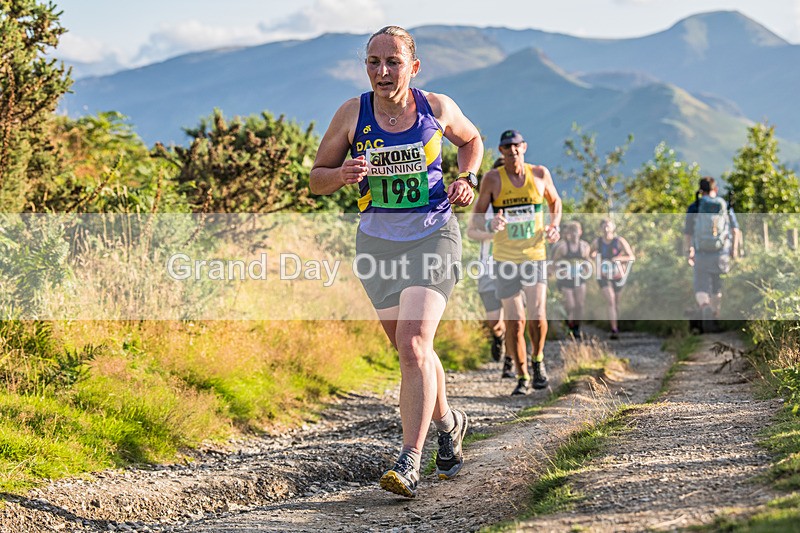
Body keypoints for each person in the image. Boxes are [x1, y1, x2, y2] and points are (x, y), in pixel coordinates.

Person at [309, 26, 483, 499]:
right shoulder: (352, 114)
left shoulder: (436, 108)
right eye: (373, 62)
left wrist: (466, 177)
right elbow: (315, 180)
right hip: (377, 245)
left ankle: (409, 460)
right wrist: (340, 175)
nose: (383, 72)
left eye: (393, 62)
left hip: (432, 235)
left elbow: (471, 141)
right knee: (413, 352)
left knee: (413, 344)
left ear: (414, 66)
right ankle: (449, 423)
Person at [471, 129, 562, 396]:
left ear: (524, 147)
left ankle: (538, 361)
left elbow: (555, 202)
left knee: (537, 314)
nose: (512, 151)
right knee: (516, 320)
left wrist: (554, 226)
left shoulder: (540, 174)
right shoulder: (492, 179)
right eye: (507, 148)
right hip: (505, 258)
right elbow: (476, 218)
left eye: (516, 146)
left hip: (534, 254)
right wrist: (491, 222)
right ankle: (522, 375)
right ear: (501, 151)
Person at [467, 157, 513, 379]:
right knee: (495, 321)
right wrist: (491, 233)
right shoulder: (484, 204)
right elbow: (470, 231)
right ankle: (499, 338)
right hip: (488, 267)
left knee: (515, 316)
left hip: (513, 266)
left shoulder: (519, 202)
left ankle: (510, 362)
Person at [683, 176, 741, 332]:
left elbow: (688, 233)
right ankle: (714, 319)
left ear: (700, 191)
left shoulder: (695, 207)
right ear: (715, 189)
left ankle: (704, 306)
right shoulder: (725, 206)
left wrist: (689, 252)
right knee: (717, 287)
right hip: (721, 253)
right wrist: (733, 251)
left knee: (700, 286)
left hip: (701, 253)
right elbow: (735, 230)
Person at [590, 218, 635, 340]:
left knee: (616, 303)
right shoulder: (597, 242)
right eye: (604, 227)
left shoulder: (619, 241)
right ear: (600, 229)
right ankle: (614, 329)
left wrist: (619, 259)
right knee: (610, 301)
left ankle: (617, 324)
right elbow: (590, 254)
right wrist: (596, 260)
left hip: (618, 275)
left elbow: (631, 257)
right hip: (603, 275)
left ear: (613, 228)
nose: (606, 229)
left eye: (608, 226)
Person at [552, 221, 591, 338]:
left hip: (579, 277)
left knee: (580, 304)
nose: (574, 234)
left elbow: (587, 261)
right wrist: (560, 270)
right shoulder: (563, 247)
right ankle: (569, 325)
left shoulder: (584, 246)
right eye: (571, 231)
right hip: (566, 279)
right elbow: (554, 262)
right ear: (568, 233)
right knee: (570, 305)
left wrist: (586, 269)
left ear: (580, 232)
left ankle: (577, 328)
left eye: (576, 231)